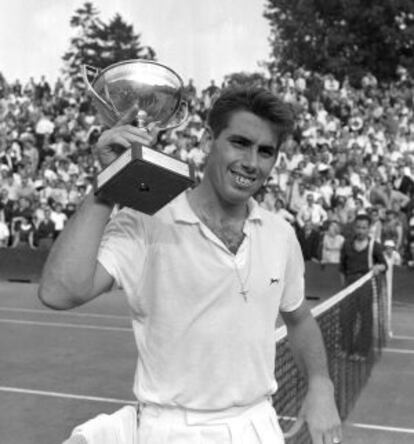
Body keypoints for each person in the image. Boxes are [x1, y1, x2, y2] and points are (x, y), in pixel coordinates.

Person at [39, 87, 341, 444]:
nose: (251, 162)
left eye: (265, 152)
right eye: (239, 143)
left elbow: (299, 317)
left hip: (257, 425)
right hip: (171, 429)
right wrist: (109, 186)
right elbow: (59, 292)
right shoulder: (146, 220)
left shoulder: (280, 234)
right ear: (206, 140)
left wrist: (321, 384)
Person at [339, 214, 387, 360]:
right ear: (354, 227)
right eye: (358, 227)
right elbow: (342, 269)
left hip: (367, 287)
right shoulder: (346, 244)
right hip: (349, 286)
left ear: (369, 229)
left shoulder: (375, 246)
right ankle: (346, 349)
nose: (361, 230)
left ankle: (361, 352)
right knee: (346, 319)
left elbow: (384, 265)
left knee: (366, 320)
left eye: (364, 228)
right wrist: (344, 291)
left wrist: (379, 266)